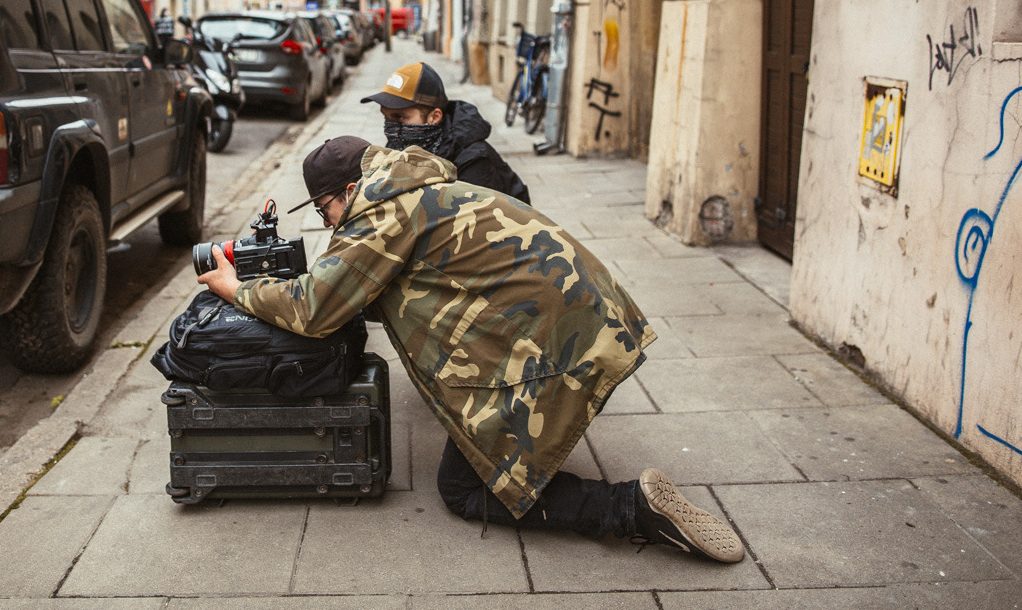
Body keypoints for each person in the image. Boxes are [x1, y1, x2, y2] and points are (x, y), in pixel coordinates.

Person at [196, 136, 745, 561]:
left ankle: (633, 509)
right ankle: (591, 482)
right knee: (482, 448)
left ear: (346, 192)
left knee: (464, 490)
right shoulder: (409, 190)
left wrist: (234, 287)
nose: (326, 222)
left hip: (551, 336)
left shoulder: (383, 214)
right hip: (574, 313)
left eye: (323, 209)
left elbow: (315, 310)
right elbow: (362, 291)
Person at [361, 61, 530, 203]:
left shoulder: (473, 159)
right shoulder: (401, 142)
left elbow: (472, 227)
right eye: (387, 117)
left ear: (434, 117)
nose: (391, 126)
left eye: (400, 117)